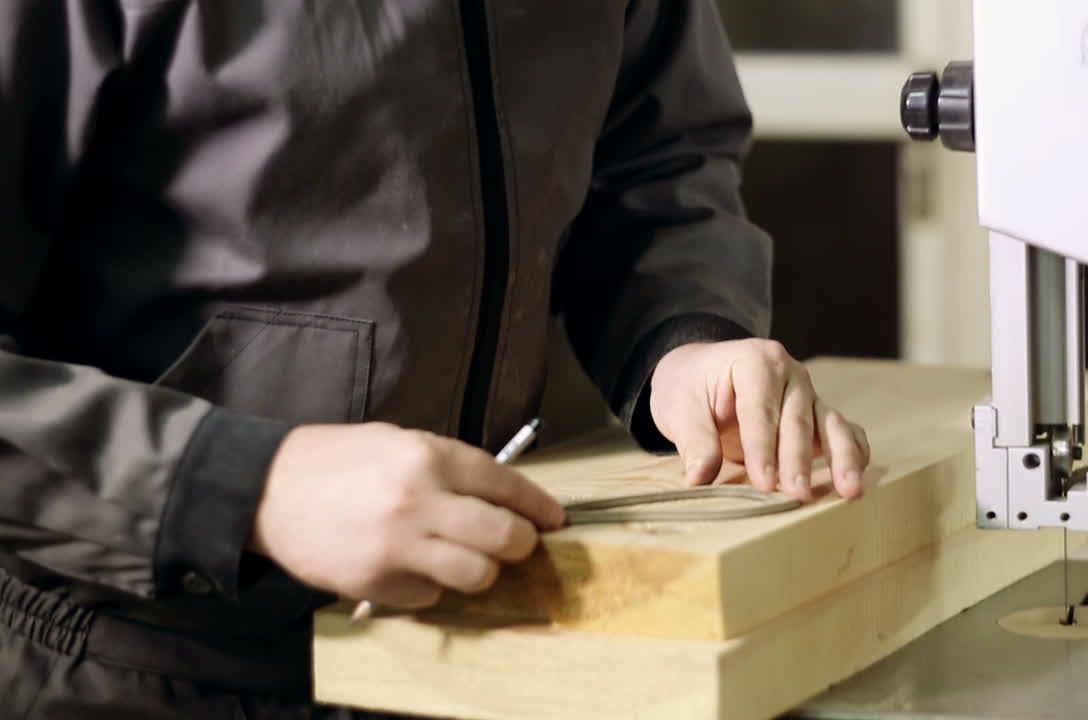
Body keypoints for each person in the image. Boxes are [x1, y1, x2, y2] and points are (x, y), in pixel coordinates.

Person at [0, 1, 871, 717]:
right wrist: (242, 488)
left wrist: (683, 337)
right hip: (132, 664)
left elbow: (656, 164)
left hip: (478, 647)